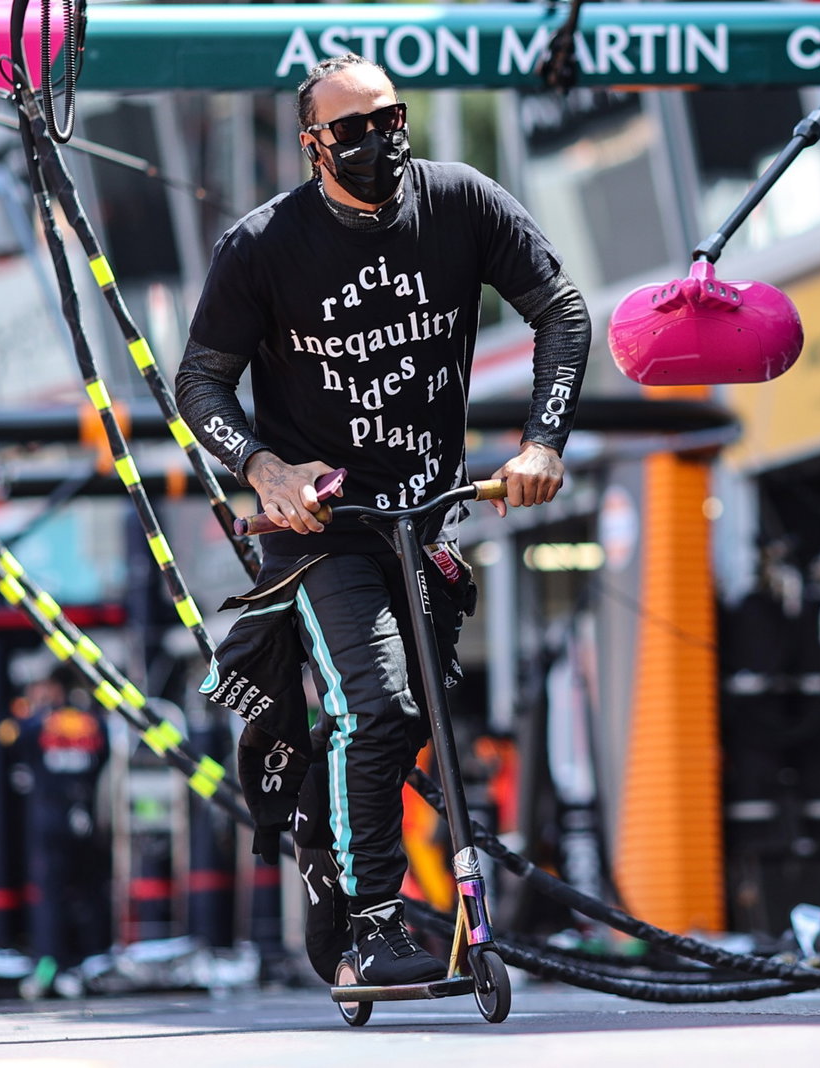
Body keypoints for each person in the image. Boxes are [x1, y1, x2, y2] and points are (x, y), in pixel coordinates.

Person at [175, 53, 590, 985]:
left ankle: (360, 857)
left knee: (424, 722)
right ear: (312, 142)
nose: (376, 142)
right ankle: (370, 925)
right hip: (320, 533)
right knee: (381, 703)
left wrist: (542, 442)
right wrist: (261, 465)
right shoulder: (262, 244)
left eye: (390, 119)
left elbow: (561, 309)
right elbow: (200, 380)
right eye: (352, 128)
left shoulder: (462, 201)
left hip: (428, 514)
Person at [0, 667, 110, 971]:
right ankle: (93, 956)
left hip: (48, 815)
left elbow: (7, 738)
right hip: (84, 813)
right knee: (90, 889)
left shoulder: (36, 724)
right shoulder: (92, 723)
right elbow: (104, 757)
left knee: (49, 892)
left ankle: (50, 961)